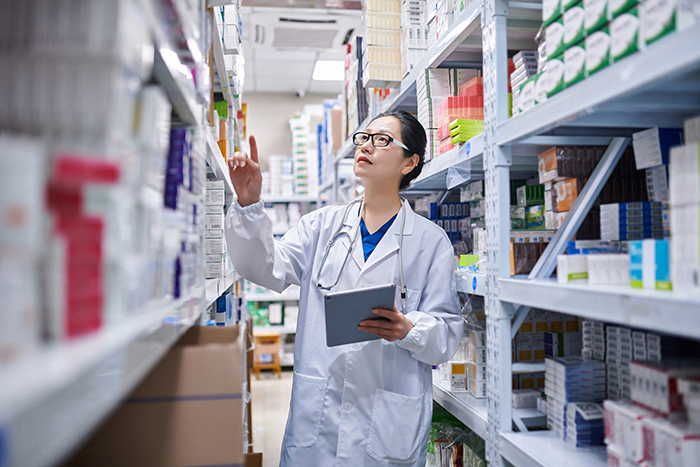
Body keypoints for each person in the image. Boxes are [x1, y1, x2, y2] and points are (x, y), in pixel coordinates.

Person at [225, 110, 463, 467]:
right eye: (364, 137)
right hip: (319, 414)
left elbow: (446, 336)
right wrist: (249, 204)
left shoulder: (431, 243)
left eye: (382, 139)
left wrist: (409, 329)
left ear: (409, 162)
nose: (366, 145)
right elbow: (264, 267)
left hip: (386, 423)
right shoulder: (322, 226)